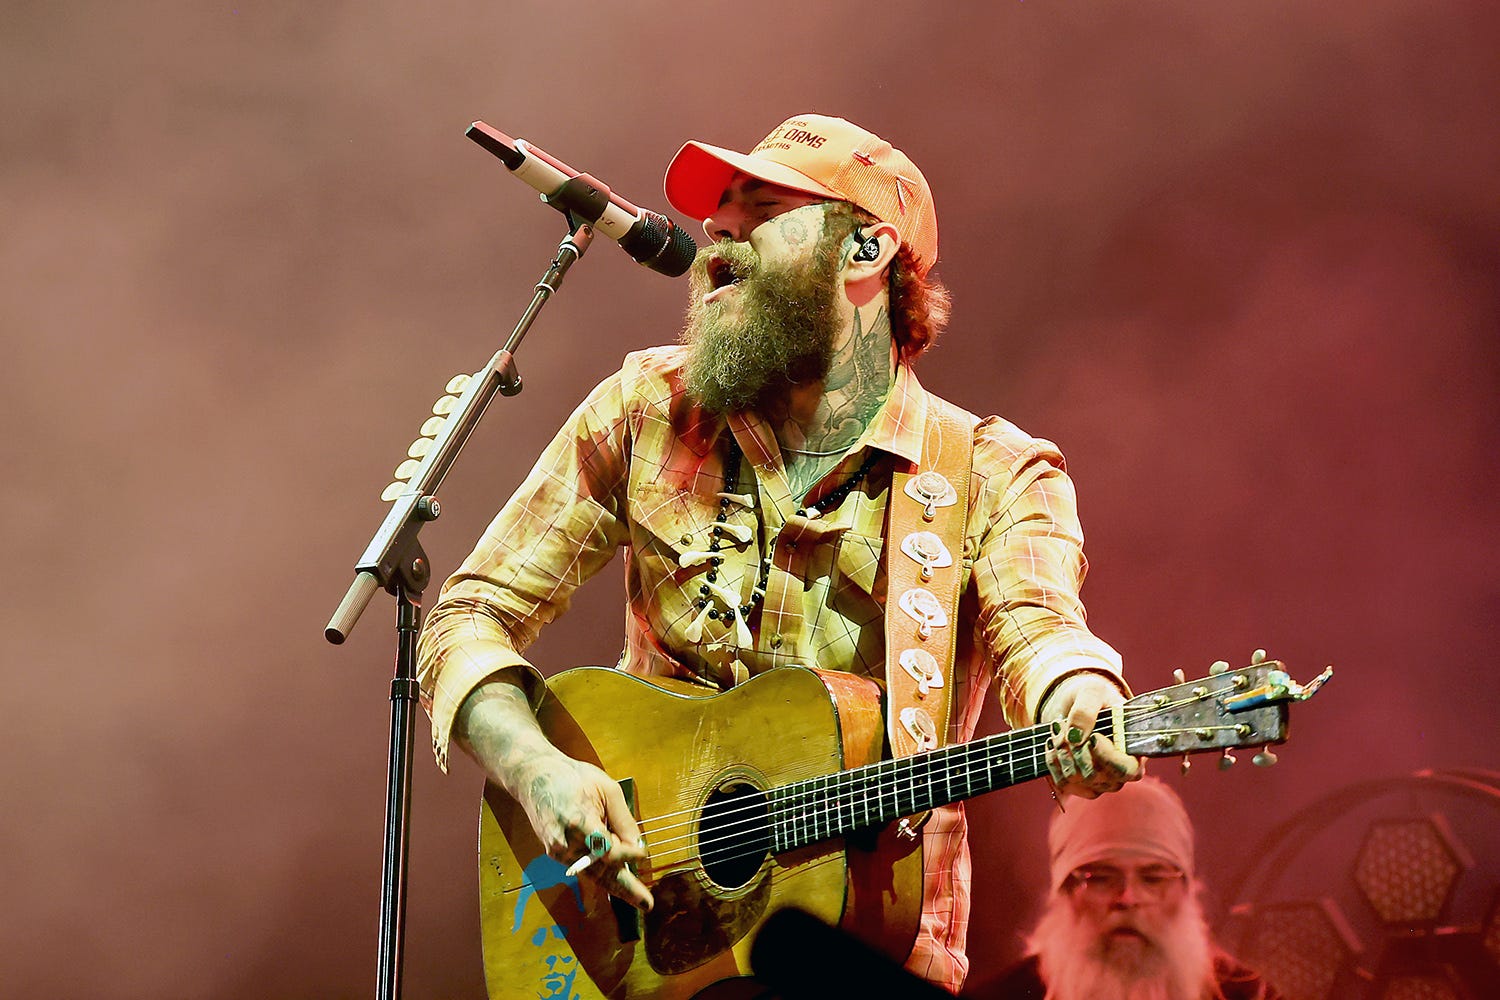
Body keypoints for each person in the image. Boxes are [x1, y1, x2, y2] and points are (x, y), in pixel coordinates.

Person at [415, 112, 1140, 994]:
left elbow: (1042, 630)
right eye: (719, 213)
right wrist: (537, 772)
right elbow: (470, 614)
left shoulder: (993, 472)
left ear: (866, 250)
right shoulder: (652, 407)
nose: (718, 234)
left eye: (760, 209)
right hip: (641, 955)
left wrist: (1083, 697)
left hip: (868, 959)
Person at [987, 777, 1282, 1000]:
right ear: (1064, 892)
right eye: (1101, 877)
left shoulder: (1248, 994)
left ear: (1186, 891)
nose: (1128, 898)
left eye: (1153, 879)